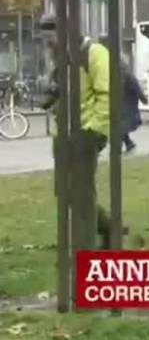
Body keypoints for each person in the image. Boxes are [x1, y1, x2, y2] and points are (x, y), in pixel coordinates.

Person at [37, 14, 113, 250]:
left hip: (85, 133)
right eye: (45, 37)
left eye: (51, 36)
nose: (48, 42)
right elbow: (58, 93)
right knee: (66, 193)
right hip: (63, 135)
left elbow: (107, 94)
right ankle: (109, 228)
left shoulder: (94, 53)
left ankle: (85, 247)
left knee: (82, 192)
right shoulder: (60, 59)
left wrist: (92, 131)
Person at [121, 58, 148, 153]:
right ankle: (125, 144)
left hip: (117, 103)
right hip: (127, 104)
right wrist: (144, 99)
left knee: (119, 125)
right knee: (122, 125)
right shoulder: (128, 75)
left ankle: (128, 142)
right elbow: (136, 87)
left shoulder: (111, 74)